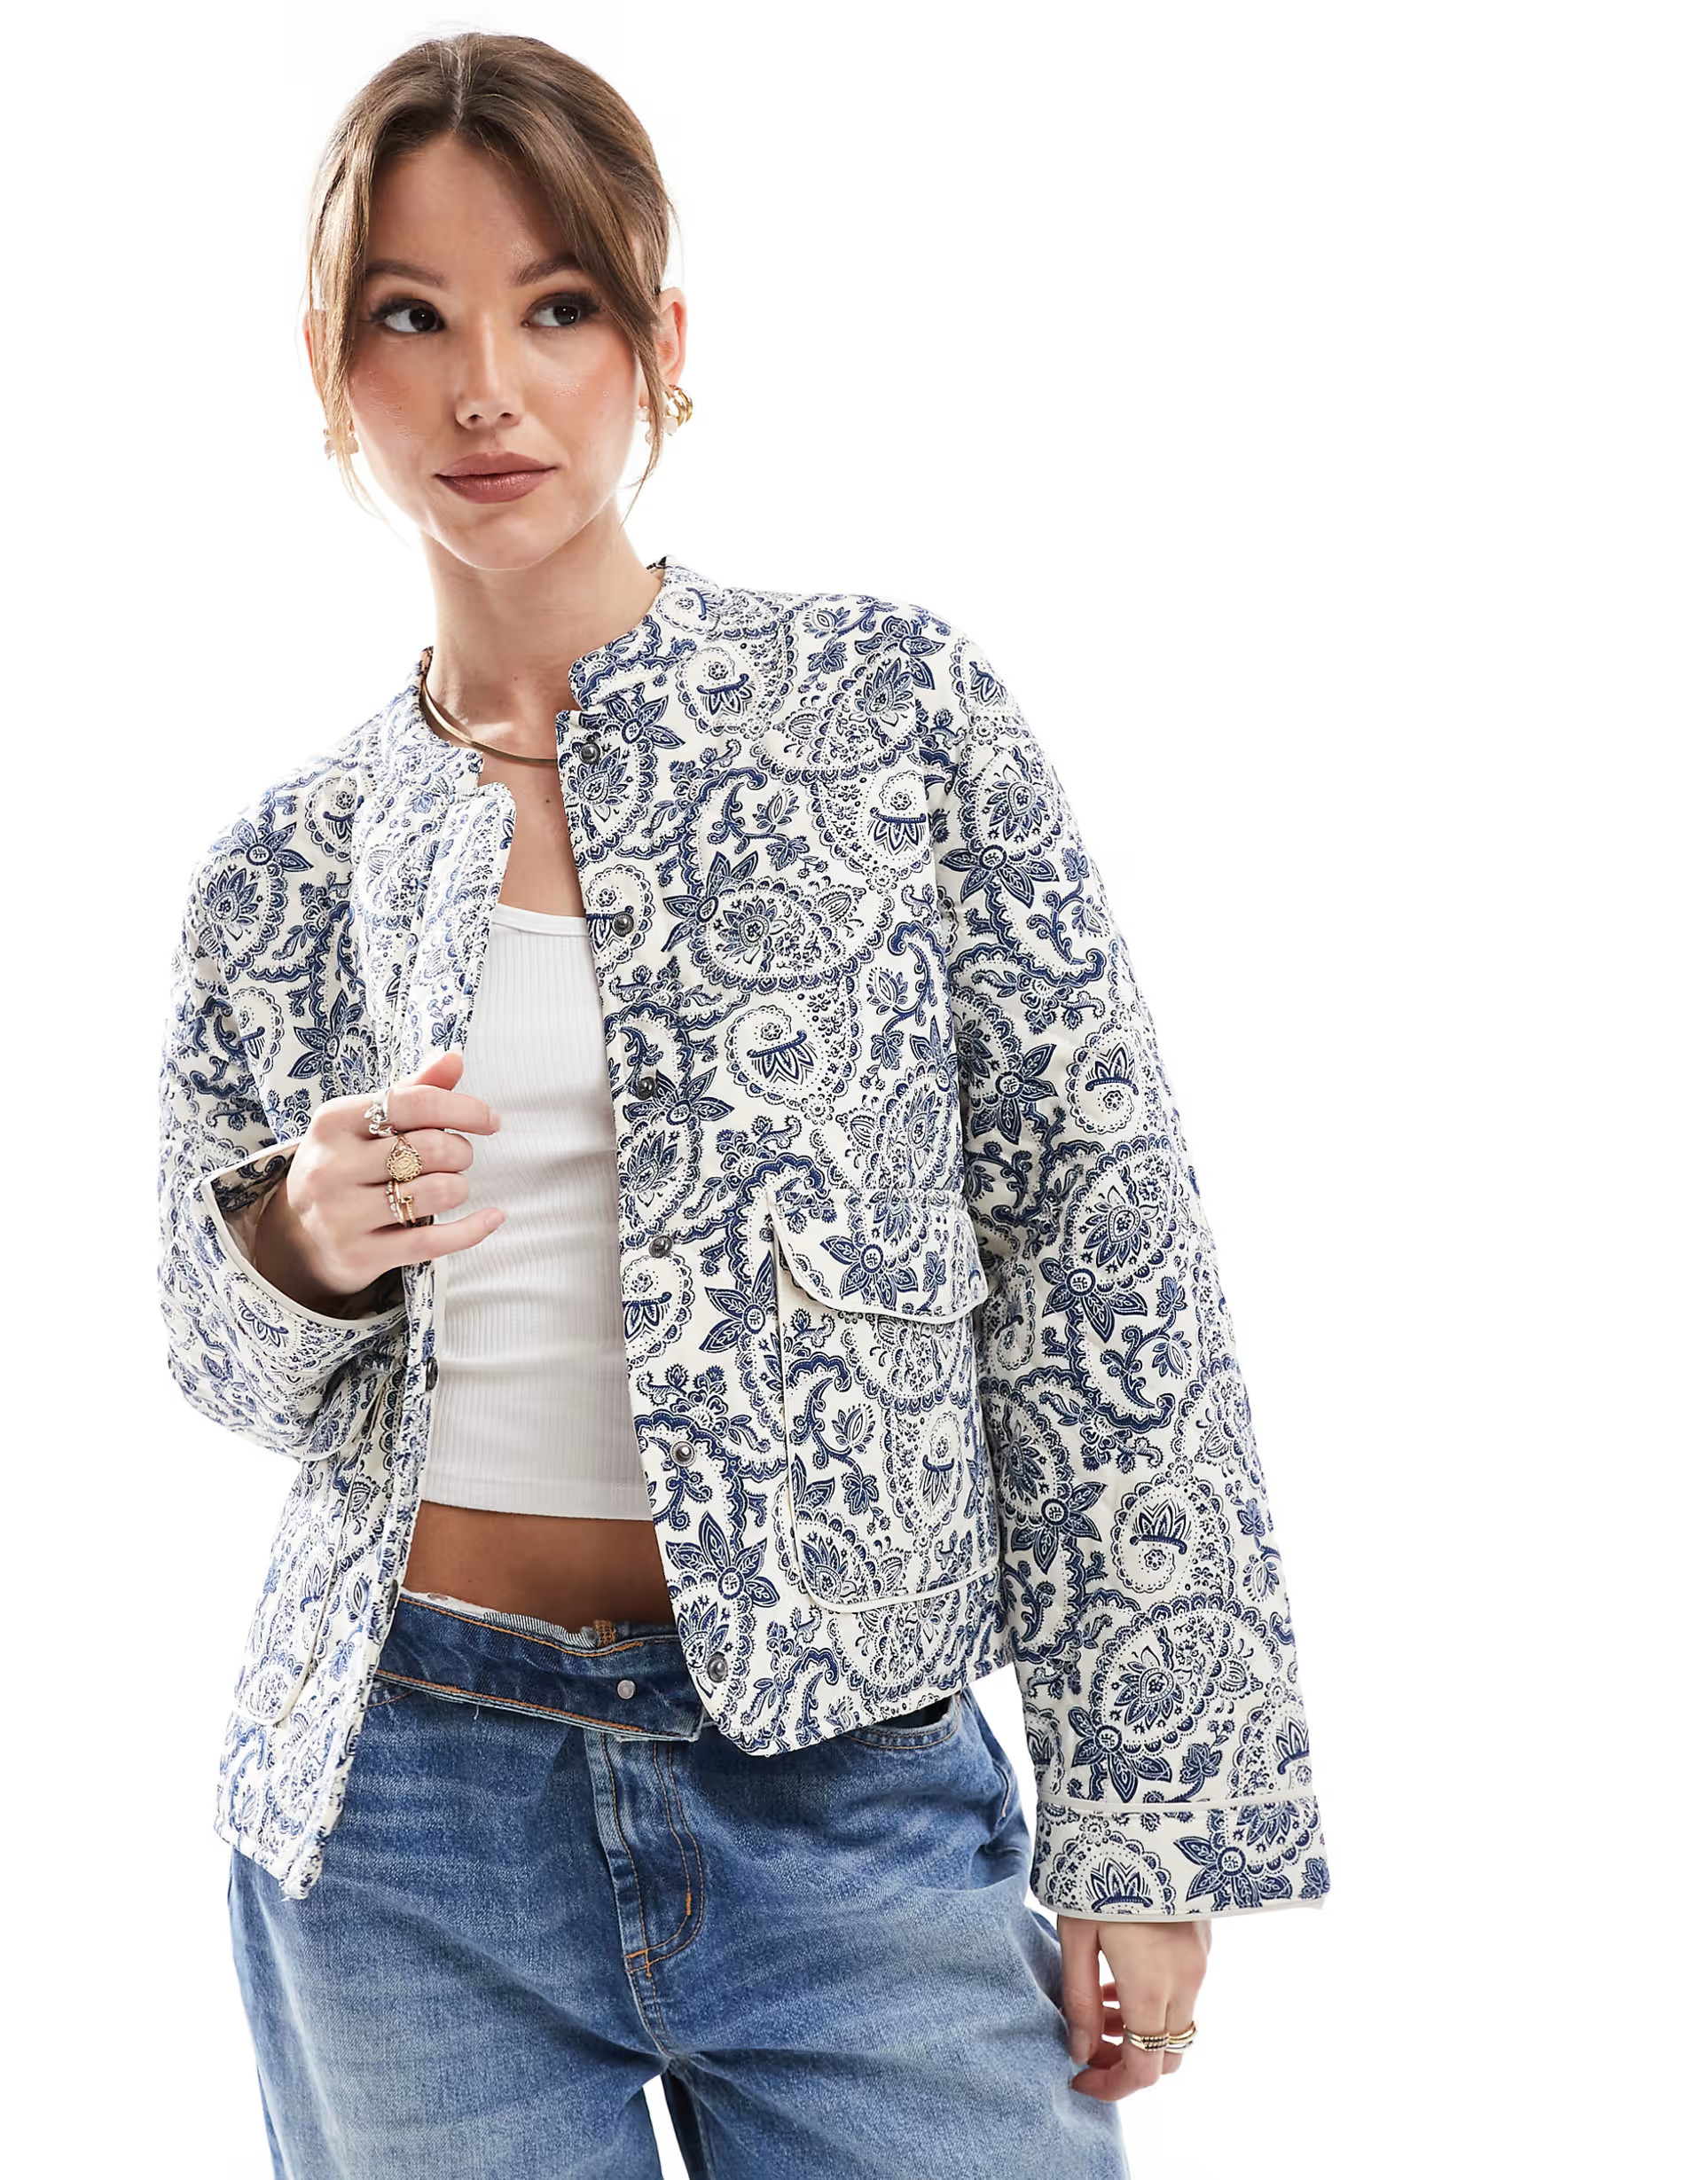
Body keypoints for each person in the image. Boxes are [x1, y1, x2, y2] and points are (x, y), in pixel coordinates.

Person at [156, 31, 1329, 2179]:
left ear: (662, 345)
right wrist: (301, 1244)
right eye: (410, 318)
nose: (485, 388)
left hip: (851, 1788)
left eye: (556, 306)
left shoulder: (896, 717)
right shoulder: (286, 862)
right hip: (405, 1809)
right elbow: (218, 1362)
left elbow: (1104, 1260)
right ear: (331, 371)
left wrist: (1149, 1823)